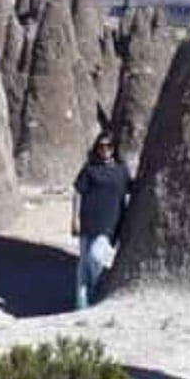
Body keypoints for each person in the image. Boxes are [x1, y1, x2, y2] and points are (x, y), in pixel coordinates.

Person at [71, 133, 131, 310]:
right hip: (88, 219)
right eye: (101, 146)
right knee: (83, 263)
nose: (105, 150)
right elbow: (77, 192)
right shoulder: (90, 169)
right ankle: (81, 302)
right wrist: (74, 218)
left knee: (96, 256)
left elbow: (131, 188)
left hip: (110, 221)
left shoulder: (121, 170)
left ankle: (98, 287)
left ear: (114, 148)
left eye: (109, 146)